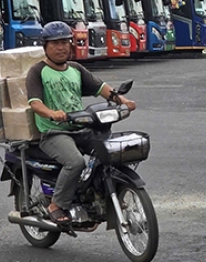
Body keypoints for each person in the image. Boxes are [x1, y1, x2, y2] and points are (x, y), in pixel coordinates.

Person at [26, 21, 136, 225]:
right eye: (55, 43)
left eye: (65, 42)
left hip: (80, 127)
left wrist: (123, 101)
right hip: (54, 132)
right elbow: (35, 103)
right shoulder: (38, 71)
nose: (61, 47)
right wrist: (51, 113)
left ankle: (106, 196)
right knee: (75, 162)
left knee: (111, 152)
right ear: (45, 46)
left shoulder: (76, 69)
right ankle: (56, 204)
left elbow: (100, 87)